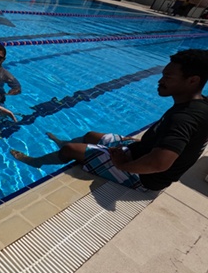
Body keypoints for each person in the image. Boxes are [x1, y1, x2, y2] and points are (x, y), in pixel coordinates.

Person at [11, 49, 208, 191]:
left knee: (71, 151)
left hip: (144, 177)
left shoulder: (184, 118)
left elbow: (159, 164)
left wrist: (122, 165)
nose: (160, 80)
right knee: (90, 135)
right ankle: (63, 143)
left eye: (168, 77)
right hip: (140, 151)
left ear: (193, 80)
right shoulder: (200, 105)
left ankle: (37, 162)